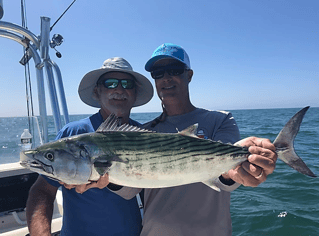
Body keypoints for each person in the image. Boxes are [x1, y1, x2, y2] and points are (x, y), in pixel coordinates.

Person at [101, 44, 277, 235]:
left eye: (175, 70)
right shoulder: (144, 132)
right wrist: (104, 172)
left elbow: (226, 176)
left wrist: (234, 170)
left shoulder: (220, 120)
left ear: (189, 75)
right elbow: (128, 191)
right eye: (158, 73)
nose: (166, 77)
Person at [26, 57, 154, 236]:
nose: (119, 89)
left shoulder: (146, 136)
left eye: (127, 83)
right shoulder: (73, 133)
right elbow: (42, 191)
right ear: (97, 91)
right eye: (110, 83)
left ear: (135, 92)